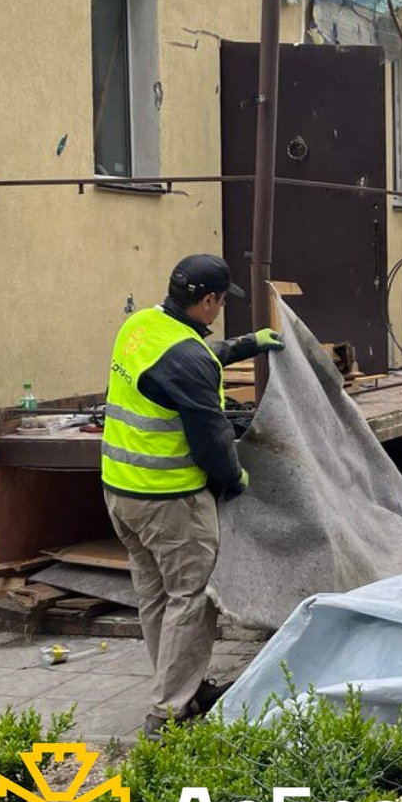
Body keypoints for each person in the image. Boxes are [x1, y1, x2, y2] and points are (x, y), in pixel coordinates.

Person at [101, 254, 283, 739]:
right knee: (190, 600)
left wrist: (246, 345)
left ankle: (181, 685)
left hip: (121, 492)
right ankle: (169, 711)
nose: (222, 307)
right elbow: (212, 439)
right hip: (170, 499)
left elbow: (186, 359)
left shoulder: (141, 325)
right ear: (207, 300)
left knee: (157, 598)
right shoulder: (187, 359)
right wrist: (233, 479)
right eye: (222, 300)